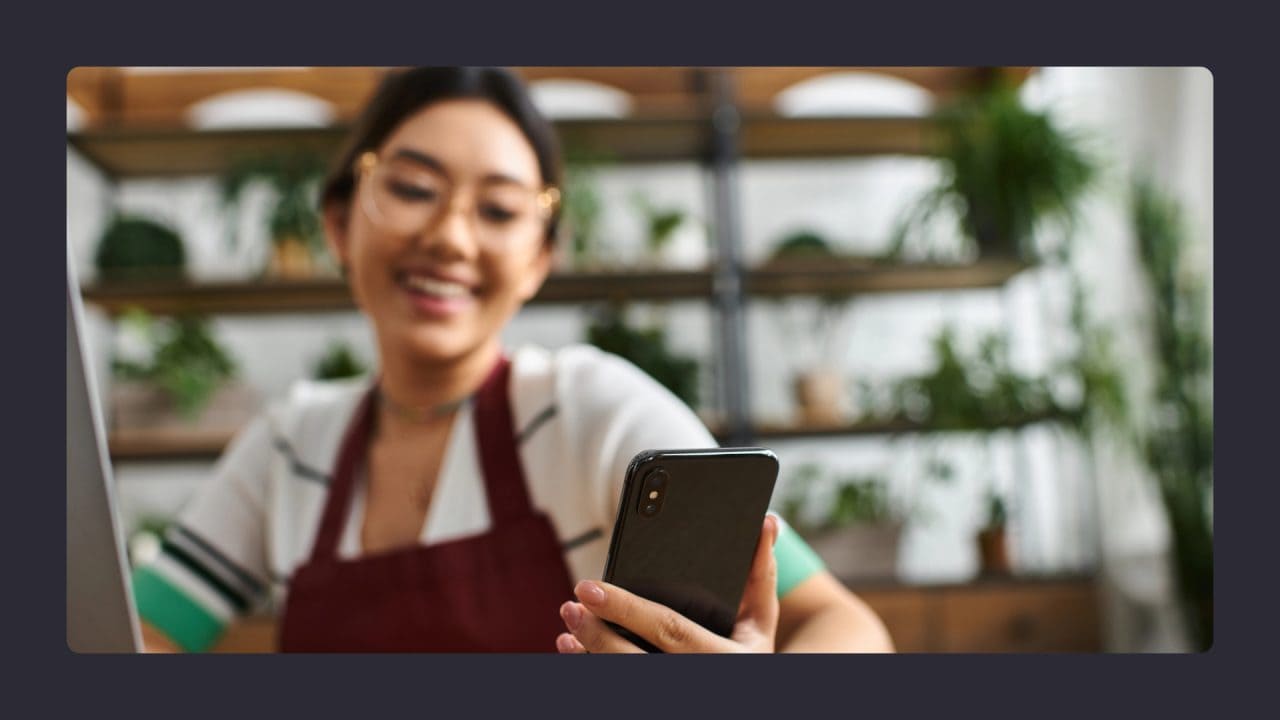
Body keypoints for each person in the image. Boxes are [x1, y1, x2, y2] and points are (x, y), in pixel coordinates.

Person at [130, 66, 893, 653]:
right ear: (338, 224)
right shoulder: (291, 444)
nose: (452, 238)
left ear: (537, 262)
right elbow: (135, 638)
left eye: (498, 210)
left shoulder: (591, 411)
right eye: (414, 188)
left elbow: (844, 624)